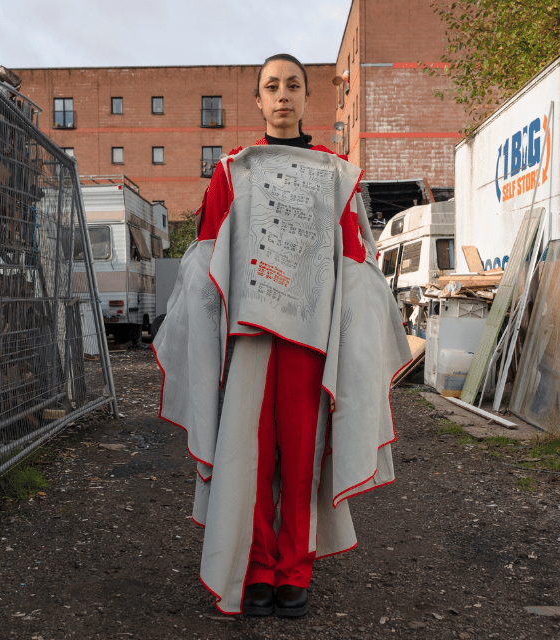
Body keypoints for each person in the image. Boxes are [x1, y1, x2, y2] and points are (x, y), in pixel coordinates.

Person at [153, 53, 411, 618]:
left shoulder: (335, 170)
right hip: (247, 339)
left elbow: (352, 261)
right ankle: (255, 564)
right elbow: (206, 257)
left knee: (300, 457)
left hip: (308, 341)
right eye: (272, 86)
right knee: (247, 452)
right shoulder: (233, 171)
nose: (283, 95)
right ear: (259, 99)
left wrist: (359, 338)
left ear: (305, 96)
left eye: (293, 85)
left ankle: (295, 567)